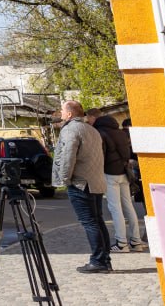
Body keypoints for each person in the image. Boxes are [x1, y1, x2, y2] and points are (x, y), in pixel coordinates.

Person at [52, 99, 111, 272]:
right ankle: (104, 259)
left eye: (62, 111)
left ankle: (99, 261)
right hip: (95, 181)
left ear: (69, 114)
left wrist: (64, 179)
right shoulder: (92, 130)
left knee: (90, 222)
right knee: (98, 221)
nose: (61, 114)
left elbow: (68, 156)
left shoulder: (71, 129)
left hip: (80, 182)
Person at [93, 113, 145, 251]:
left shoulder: (101, 134)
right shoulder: (121, 133)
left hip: (110, 174)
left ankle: (121, 243)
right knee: (128, 205)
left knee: (115, 208)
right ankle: (136, 241)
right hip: (124, 172)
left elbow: (101, 156)